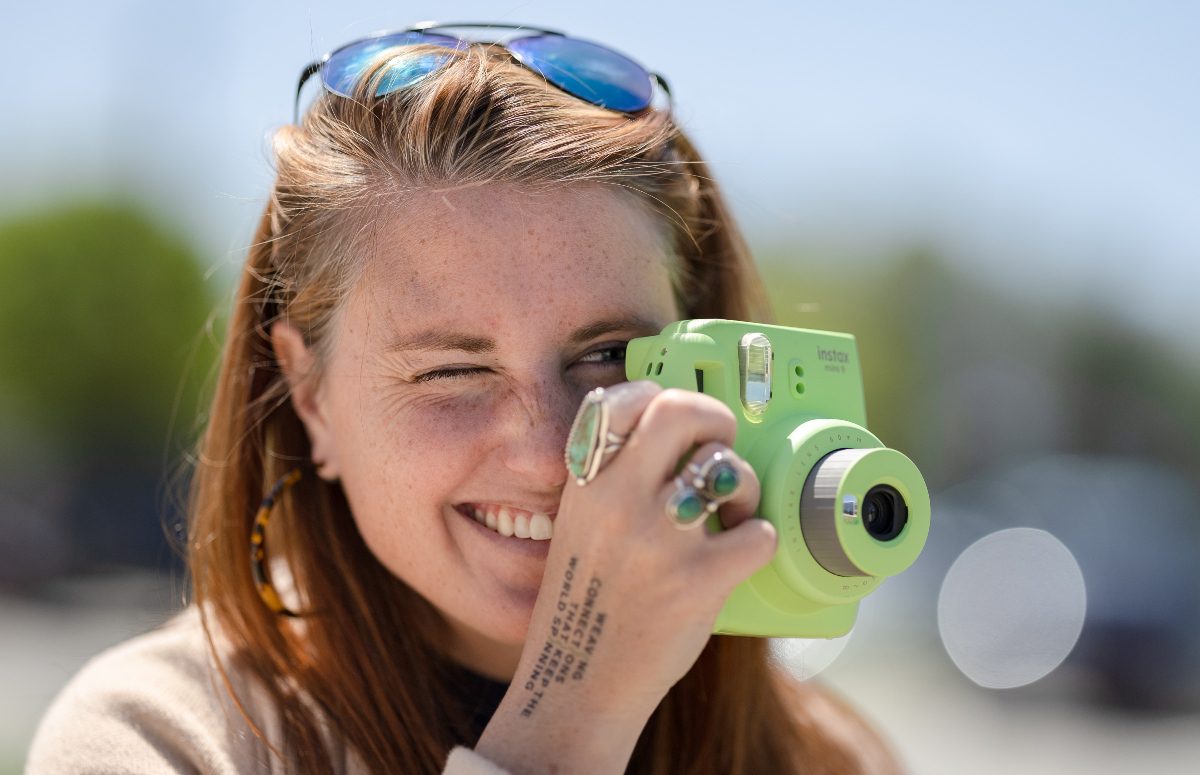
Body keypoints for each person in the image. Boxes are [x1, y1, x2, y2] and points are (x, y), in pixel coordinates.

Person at [28, 22, 900, 774]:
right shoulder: (159, 736)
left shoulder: (823, 753)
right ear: (311, 395)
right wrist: (570, 720)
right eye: (452, 371)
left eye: (608, 355)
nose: (549, 448)